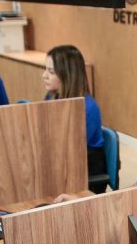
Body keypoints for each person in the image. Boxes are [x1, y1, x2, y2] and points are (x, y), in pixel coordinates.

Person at [42, 45, 105, 186]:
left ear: (67, 75)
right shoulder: (52, 97)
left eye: (51, 72)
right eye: (45, 69)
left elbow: (69, 150)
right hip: (62, 164)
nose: (44, 75)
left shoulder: (87, 108)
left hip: (85, 172)